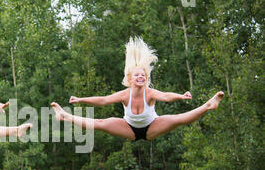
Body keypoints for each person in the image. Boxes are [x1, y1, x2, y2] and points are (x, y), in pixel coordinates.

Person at [51, 37, 224, 141]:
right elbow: (103, 100)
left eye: (143, 75)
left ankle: (208, 105)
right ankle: (64, 115)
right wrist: (81, 100)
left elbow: (165, 96)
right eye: (137, 75)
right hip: (129, 128)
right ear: (130, 79)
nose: (140, 77)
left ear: (146, 78)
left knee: (178, 119)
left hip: (151, 127)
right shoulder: (125, 94)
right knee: (100, 123)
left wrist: (181, 96)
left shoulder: (149, 93)